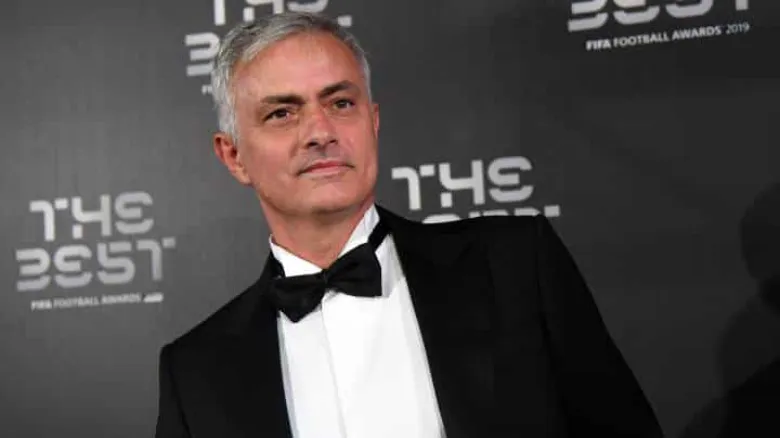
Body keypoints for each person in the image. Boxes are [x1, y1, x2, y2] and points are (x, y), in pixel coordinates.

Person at [155, 11, 663, 438]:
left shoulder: (514, 266)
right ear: (233, 156)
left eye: (340, 103)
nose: (320, 132)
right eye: (282, 114)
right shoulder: (196, 371)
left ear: (373, 122)